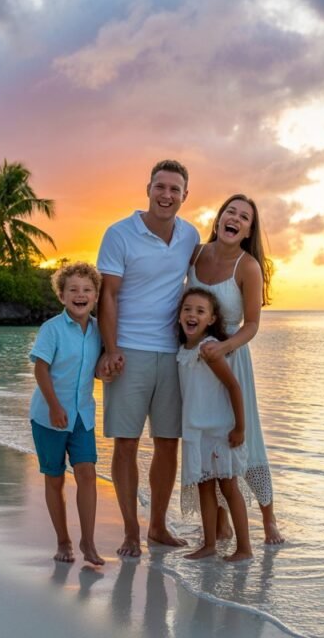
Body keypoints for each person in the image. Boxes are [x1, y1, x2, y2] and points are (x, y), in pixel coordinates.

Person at [96, 159, 200, 557]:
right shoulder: (120, 233)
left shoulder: (189, 236)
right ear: (148, 188)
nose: (167, 195)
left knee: (168, 443)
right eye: (161, 186)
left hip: (174, 353)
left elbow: (209, 271)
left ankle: (157, 526)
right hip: (129, 351)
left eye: (175, 189)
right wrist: (110, 348)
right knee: (125, 443)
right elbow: (109, 294)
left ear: (185, 196)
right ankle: (128, 530)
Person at [188, 194, 285, 544]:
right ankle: (222, 522)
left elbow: (252, 324)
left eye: (244, 217)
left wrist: (224, 348)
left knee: (246, 438)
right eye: (231, 211)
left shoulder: (248, 266)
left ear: (247, 231)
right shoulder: (196, 253)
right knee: (210, 439)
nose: (235, 218)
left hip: (231, 358)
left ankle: (269, 518)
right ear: (219, 219)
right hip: (198, 364)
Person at [29, 262, 105, 566]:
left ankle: (88, 541)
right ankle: (63, 540)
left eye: (87, 289)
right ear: (62, 295)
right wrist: (54, 406)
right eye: (73, 289)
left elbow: (97, 368)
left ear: (96, 295)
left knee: (87, 474)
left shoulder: (100, 330)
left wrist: (108, 370)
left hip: (83, 416)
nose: (80, 294)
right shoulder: (52, 329)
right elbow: (40, 368)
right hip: (49, 416)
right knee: (55, 478)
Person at [176, 287, 253, 562]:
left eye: (200, 311)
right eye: (187, 309)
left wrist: (240, 428)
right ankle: (209, 544)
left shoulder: (209, 349)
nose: (192, 315)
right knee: (204, 487)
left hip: (220, 430)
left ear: (211, 319)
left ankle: (244, 547)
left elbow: (233, 386)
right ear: (179, 315)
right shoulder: (183, 350)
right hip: (196, 431)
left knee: (229, 487)